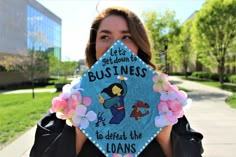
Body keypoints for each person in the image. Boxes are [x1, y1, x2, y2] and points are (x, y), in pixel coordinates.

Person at [30, 6, 203, 157]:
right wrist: (78, 132)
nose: (115, 46)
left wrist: (166, 138)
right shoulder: (73, 100)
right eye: (105, 37)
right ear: (94, 47)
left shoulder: (162, 100)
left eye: (126, 37)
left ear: (138, 46)